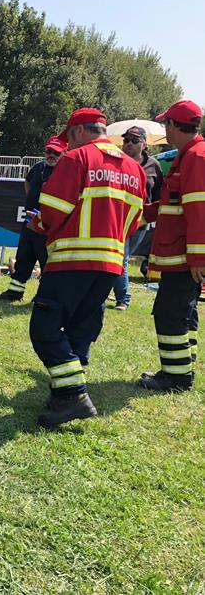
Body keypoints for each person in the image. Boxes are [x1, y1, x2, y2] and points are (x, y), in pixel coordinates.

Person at [26, 108, 146, 428]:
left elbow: (53, 210)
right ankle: (63, 393)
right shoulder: (135, 169)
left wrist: (38, 223)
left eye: (69, 138)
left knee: (45, 328)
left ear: (79, 132)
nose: (67, 146)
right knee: (81, 327)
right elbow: (137, 220)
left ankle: (73, 395)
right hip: (109, 263)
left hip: (71, 259)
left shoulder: (77, 159)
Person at [139, 100, 205, 392]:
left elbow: (198, 209)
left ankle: (176, 377)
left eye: (166, 123)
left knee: (170, 313)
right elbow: (173, 204)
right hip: (181, 254)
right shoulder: (188, 156)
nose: (164, 128)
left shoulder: (195, 158)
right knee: (181, 312)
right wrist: (142, 212)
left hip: (185, 256)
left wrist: (198, 258)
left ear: (174, 126)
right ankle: (183, 367)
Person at [0, 136, 67, 301]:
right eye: (49, 151)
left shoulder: (65, 172)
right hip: (29, 222)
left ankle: (43, 296)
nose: (52, 155)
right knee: (24, 258)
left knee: (46, 261)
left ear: (64, 153)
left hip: (48, 225)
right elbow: (27, 182)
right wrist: (31, 201)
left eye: (56, 152)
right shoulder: (38, 168)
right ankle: (15, 292)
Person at [111, 125, 163, 310]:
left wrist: (155, 214)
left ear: (144, 144)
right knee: (120, 258)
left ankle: (119, 296)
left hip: (142, 221)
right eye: (126, 140)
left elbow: (159, 193)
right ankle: (123, 298)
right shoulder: (117, 162)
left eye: (134, 141)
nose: (129, 144)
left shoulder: (153, 165)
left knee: (121, 258)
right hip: (118, 219)